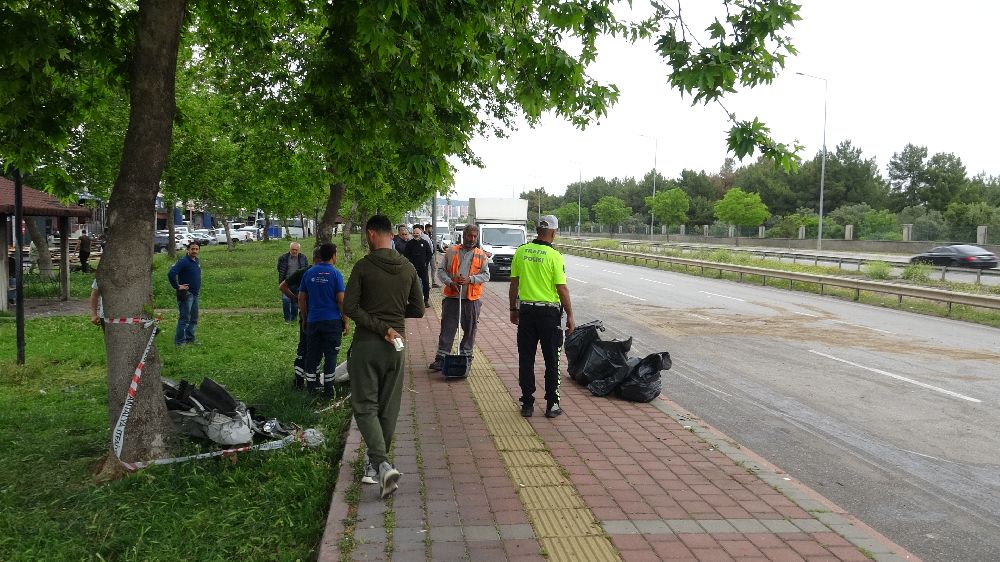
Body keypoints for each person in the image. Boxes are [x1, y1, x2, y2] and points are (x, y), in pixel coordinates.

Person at [344, 214, 424, 499]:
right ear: (391, 235)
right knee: (388, 407)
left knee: (365, 405)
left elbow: (351, 307)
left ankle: (381, 463)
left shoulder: (364, 266)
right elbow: (419, 309)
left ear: (370, 234)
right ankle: (373, 465)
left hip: (367, 345)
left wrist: (381, 326)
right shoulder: (408, 268)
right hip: (396, 348)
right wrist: (393, 322)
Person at [509, 215, 575, 419]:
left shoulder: (521, 251)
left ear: (538, 231)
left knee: (526, 358)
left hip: (527, 312)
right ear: (553, 233)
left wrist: (513, 309)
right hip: (549, 315)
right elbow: (561, 288)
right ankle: (552, 404)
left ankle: (527, 403)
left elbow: (514, 285)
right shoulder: (554, 256)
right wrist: (570, 315)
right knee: (552, 359)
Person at [429, 224, 490, 372]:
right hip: (452, 298)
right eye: (470, 235)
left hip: (471, 300)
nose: (472, 239)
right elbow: (441, 271)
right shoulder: (451, 251)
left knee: (470, 330)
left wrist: (470, 279)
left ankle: (466, 358)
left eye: (475, 236)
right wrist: (450, 282)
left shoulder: (481, 255)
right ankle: (441, 358)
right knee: (447, 328)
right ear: (464, 235)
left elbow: (486, 275)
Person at [298, 243, 348, 397]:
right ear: (333, 255)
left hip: (313, 321)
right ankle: (328, 390)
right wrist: (346, 320)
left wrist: (305, 318)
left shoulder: (309, 273)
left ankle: (311, 389)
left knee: (313, 355)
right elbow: (341, 300)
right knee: (331, 356)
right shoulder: (335, 274)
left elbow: (301, 298)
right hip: (332, 322)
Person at [280, 246, 322, 389]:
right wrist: (296, 298)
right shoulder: (312, 272)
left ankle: (299, 380)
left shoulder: (303, 272)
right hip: (314, 317)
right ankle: (312, 381)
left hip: (305, 316)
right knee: (312, 349)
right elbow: (283, 286)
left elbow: (283, 286)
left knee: (304, 347)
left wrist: (295, 298)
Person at [167, 242, 202, 346]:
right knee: (184, 319)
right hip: (186, 294)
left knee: (194, 318)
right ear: (188, 249)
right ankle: (180, 342)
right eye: (192, 249)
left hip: (195, 294)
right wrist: (177, 286)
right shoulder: (183, 261)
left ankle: (190, 339)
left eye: (196, 249)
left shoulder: (196, 261)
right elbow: (171, 273)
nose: (194, 251)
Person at [403, 225, 434, 307]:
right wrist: (409, 264)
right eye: (414, 233)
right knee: (411, 284)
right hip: (413, 268)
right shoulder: (409, 243)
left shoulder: (425, 242)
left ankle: (426, 300)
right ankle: (412, 301)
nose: (416, 234)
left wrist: (426, 263)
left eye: (417, 233)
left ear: (420, 233)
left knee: (426, 284)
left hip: (423, 268)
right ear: (412, 234)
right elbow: (405, 255)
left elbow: (430, 254)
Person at [277, 242, 309, 322]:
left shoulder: (303, 258)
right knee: (285, 300)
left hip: (298, 283)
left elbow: (306, 269)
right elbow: (279, 269)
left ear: (299, 250)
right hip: (286, 282)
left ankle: (293, 319)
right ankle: (287, 319)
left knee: (295, 301)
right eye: (293, 249)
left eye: (296, 250)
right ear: (290, 249)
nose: (294, 251)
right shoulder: (283, 258)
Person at [423, 223, 439, 288]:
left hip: (431, 254)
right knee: (427, 268)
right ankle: (428, 283)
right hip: (427, 254)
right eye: (431, 228)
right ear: (427, 228)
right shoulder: (424, 236)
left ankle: (434, 282)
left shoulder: (430, 235)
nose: (431, 230)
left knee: (434, 268)